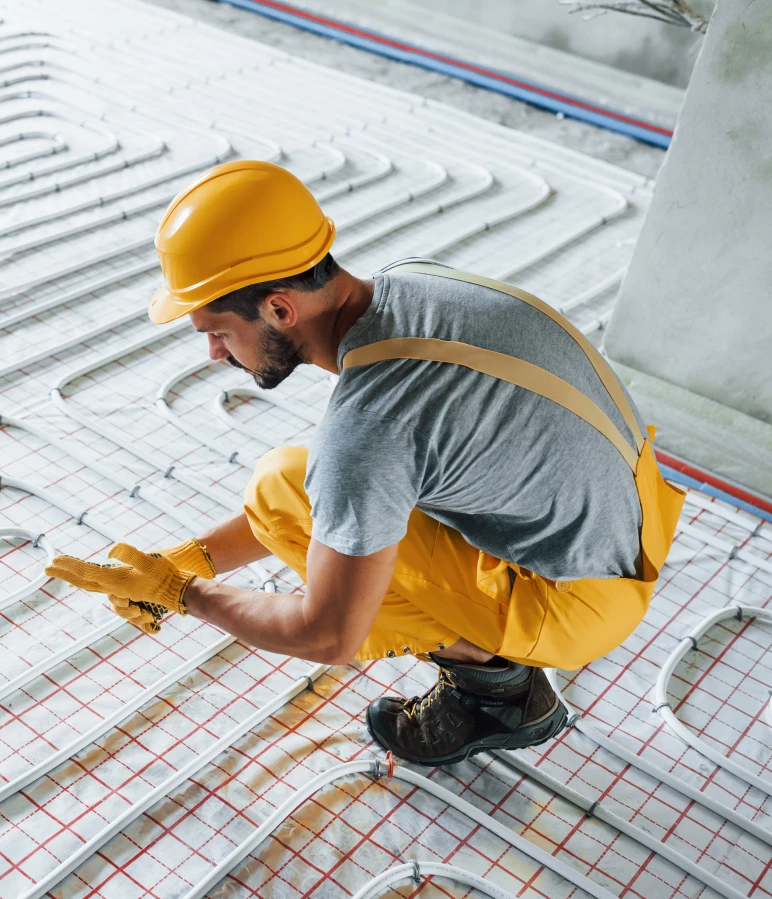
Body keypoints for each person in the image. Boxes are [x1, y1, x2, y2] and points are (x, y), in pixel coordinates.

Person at [44, 160, 685, 766]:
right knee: (288, 484)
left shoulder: (368, 430)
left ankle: (498, 694)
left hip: (579, 602)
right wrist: (192, 557)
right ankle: (500, 667)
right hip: (629, 521)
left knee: (319, 504)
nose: (214, 353)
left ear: (278, 308)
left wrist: (183, 594)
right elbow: (340, 494)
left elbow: (326, 635)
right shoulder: (413, 282)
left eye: (217, 330)